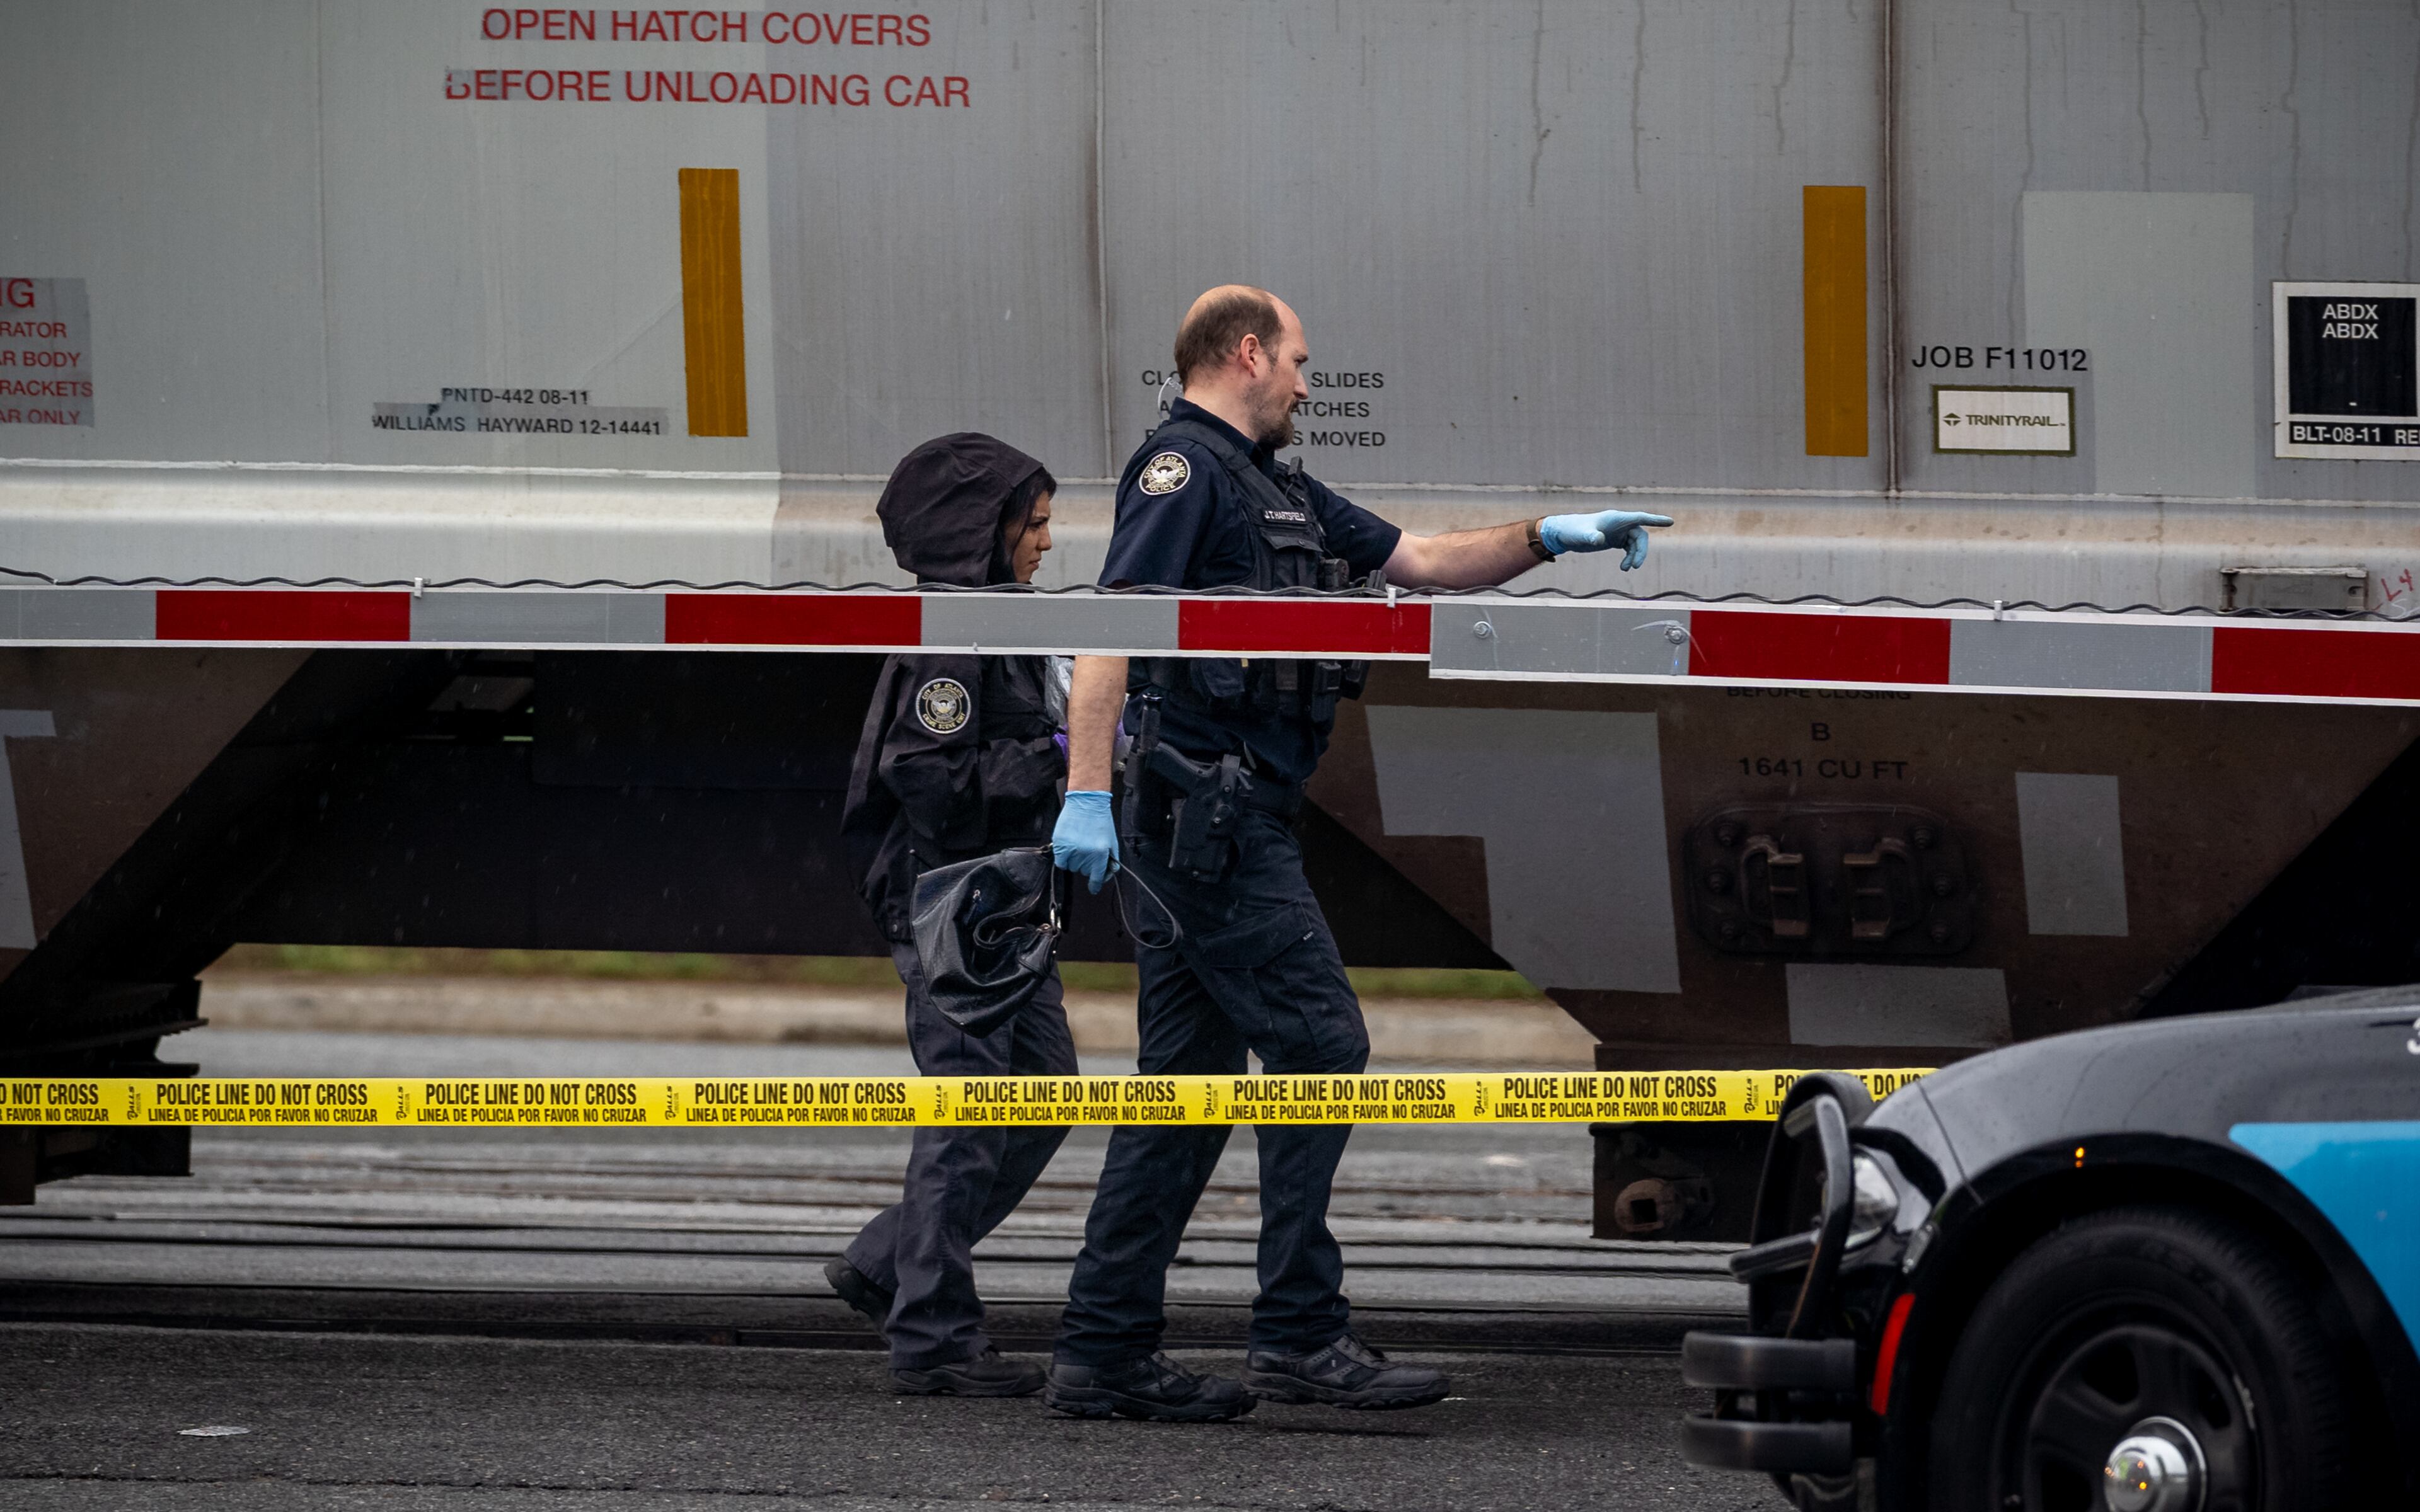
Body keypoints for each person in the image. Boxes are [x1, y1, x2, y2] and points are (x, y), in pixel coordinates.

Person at [1041, 287, 1672, 1423]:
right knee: (1323, 1043)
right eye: (1297, 360)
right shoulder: (1182, 474)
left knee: (1186, 1087)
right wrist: (1086, 793)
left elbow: (1422, 559)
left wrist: (1546, 537)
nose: (1306, 380)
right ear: (1246, 354)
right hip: (1208, 822)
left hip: (1222, 819)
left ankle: (1103, 1348)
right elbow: (1111, 628)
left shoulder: (1275, 485)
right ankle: (1296, 1333)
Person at [827, 432, 1077, 1397]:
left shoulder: (994, 623)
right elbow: (931, 779)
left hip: (1000, 907)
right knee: (969, 1119)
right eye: (1036, 524)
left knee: (1045, 1092)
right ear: (985, 532)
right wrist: (1061, 754)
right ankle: (934, 1339)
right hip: (954, 908)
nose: (1047, 543)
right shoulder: (951, 638)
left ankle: (891, 1264)